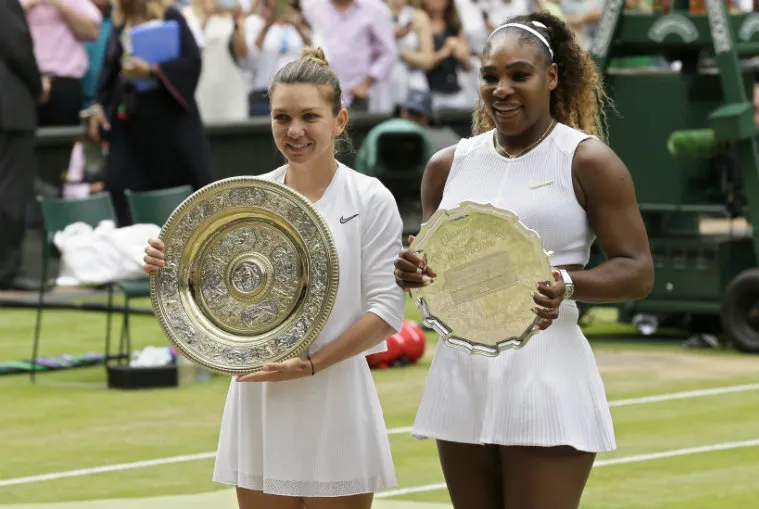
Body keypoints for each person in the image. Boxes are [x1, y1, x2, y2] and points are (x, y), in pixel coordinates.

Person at [393, 12, 654, 509]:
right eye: (490, 76)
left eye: (519, 75)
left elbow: (638, 270)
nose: (502, 90)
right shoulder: (447, 166)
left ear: (551, 77)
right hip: (461, 376)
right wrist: (414, 272)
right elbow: (436, 272)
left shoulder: (587, 160)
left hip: (546, 374)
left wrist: (567, 285)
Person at [143, 47, 407, 509]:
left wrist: (311, 365)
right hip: (260, 398)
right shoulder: (248, 198)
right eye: (282, 117)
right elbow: (213, 286)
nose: (294, 130)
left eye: (309, 116)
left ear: (339, 121)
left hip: (336, 395)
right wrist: (169, 263)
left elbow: (386, 311)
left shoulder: (371, 199)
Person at [85, 0, 213, 226]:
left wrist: (153, 70)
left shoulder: (170, 16)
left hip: (170, 119)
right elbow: (109, 69)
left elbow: (192, 61)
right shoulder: (120, 24)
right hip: (130, 120)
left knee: (181, 188)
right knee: (119, 182)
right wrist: (97, 106)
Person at [0, 0, 45, 290]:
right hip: (9, 110)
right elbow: (18, 48)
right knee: (11, 191)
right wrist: (38, 86)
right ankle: (6, 269)